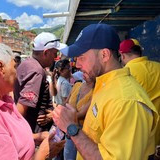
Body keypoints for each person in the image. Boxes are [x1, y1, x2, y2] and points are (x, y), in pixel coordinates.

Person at [52, 24, 159, 160]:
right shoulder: (104, 86)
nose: (77, 65)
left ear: (104, 55)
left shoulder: (127, 102)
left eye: (81, 57)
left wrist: (71, 128)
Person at [14, 32, 67, 133]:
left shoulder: (26, 64)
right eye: (55, 53)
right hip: (35, 132)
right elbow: (21, 109)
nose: (56, 58)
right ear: (46, 53)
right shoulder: (37, 71)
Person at [119, 39, 160, 154]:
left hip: (137, 137)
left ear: (122, 55)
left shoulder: (126, 73)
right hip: (157, 135)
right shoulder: (158, 67)